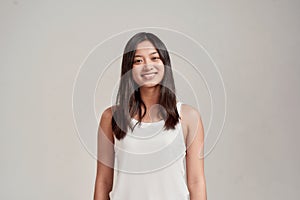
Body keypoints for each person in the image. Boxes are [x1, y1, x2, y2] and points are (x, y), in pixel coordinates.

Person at [93, 32, 207, 200]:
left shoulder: (189, 117)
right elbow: (103, 182)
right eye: (138, 61)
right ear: (129, 69)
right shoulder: (111, 117)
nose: (147, 66)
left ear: (165, 63)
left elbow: (196, 182)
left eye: (154, 58)